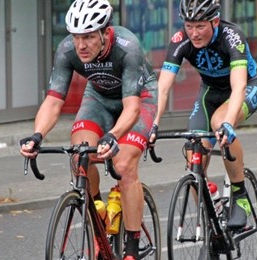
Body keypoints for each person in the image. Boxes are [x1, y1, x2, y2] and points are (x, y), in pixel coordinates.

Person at [19, 0, 157, 259]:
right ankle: (98, 216)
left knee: (124, 165)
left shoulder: (127, 48)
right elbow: (53, 101)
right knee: (78, 155)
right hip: (99, 97)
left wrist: (112, 135)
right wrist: (37, 135)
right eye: (76, 37)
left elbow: (131, 108)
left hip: (139, 98)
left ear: (105, 33)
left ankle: (131, 247)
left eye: (89, 37)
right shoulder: (67, 50)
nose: (81, 45)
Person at [149, 0, 257, 230]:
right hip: (210, 91)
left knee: (220, 123)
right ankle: (212, 229)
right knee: (194, 156)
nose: (194, 33)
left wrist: (229, 123)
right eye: (189, 26)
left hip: (245, 88)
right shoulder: (180, 40)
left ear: (215, 21)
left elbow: (238, 86)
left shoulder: (232, 36)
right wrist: (153, 124)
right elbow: (162, 88)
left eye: (200, 26)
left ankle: (240, 196)